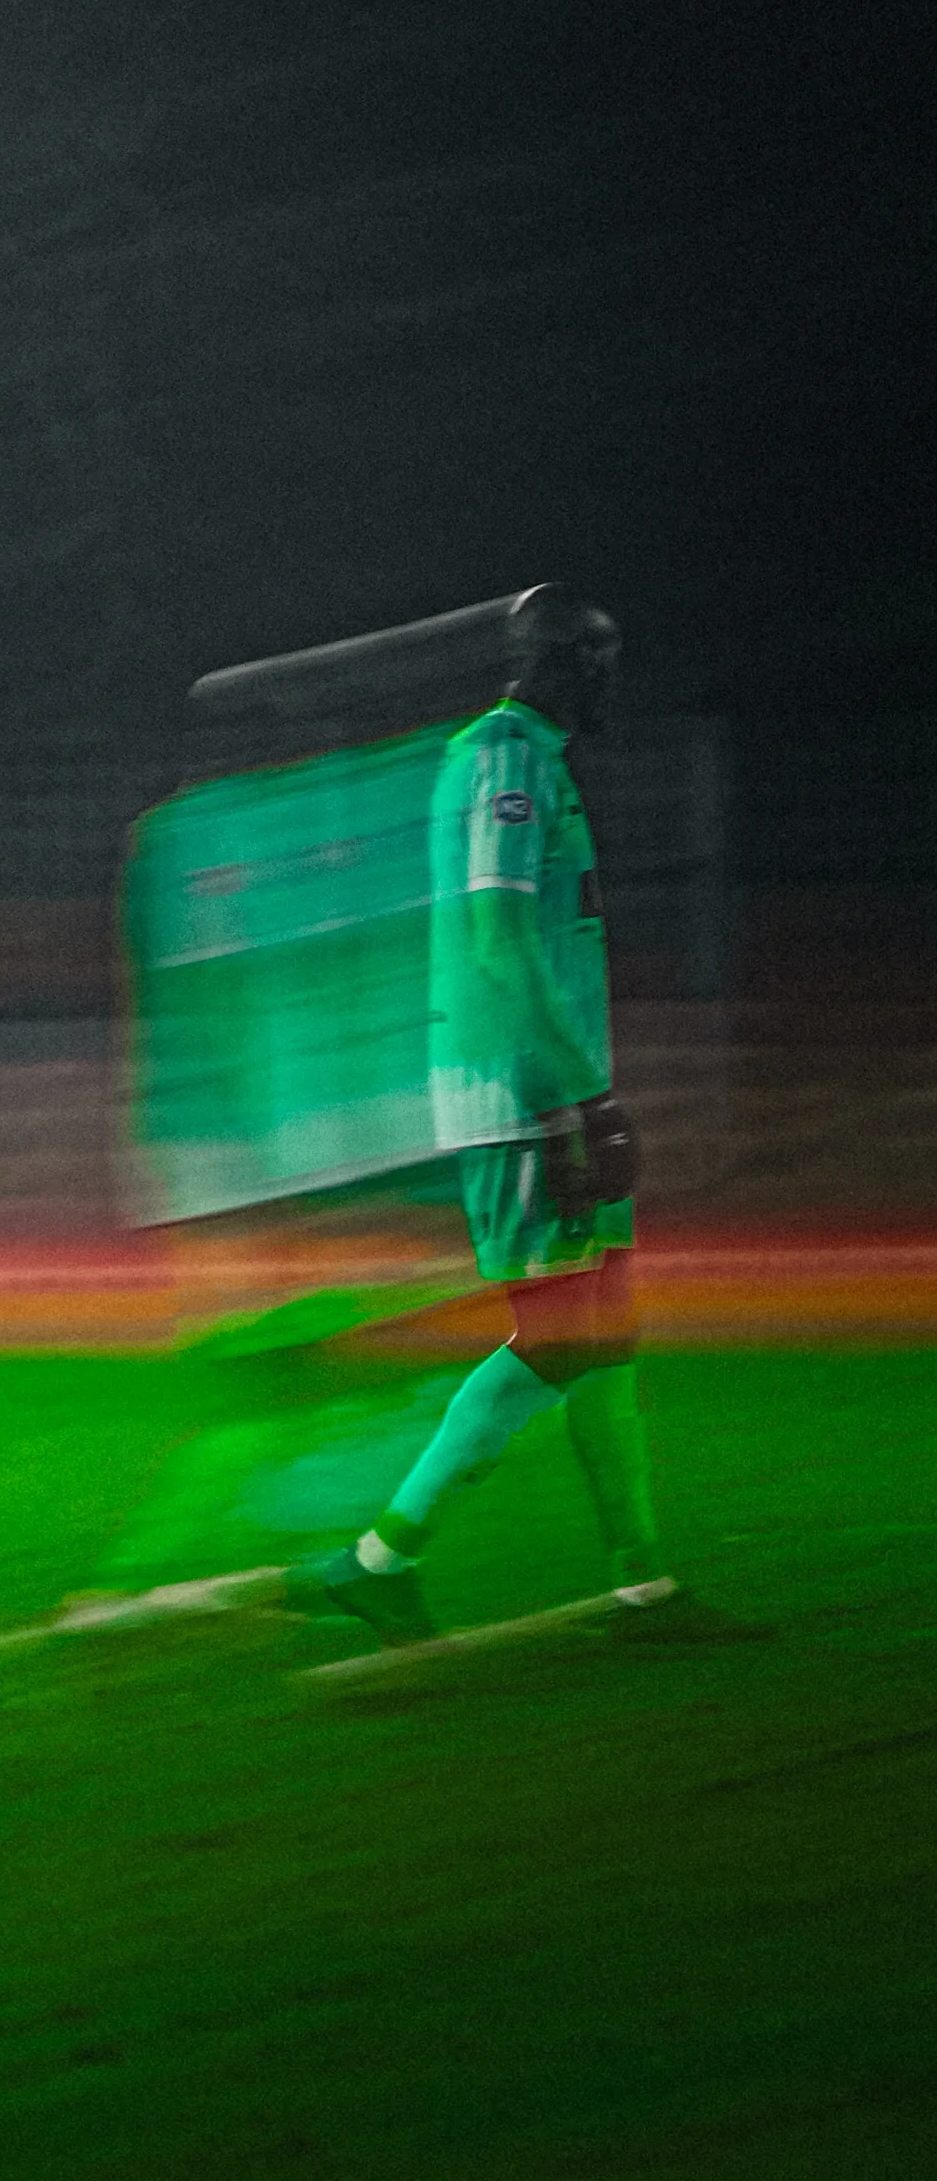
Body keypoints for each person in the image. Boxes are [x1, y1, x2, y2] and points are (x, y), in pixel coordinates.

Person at [287, 589, 731, 1646]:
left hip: (549, 1095)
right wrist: (584, 1093)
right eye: (599, 660)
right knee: (559, 1334)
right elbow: (497, 938)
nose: (609, 681)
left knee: (606, 1332)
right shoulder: (503, 756)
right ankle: (378, 1558)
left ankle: (642, 1581)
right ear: (561, 662)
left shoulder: (536, 758)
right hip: (523, 1101)